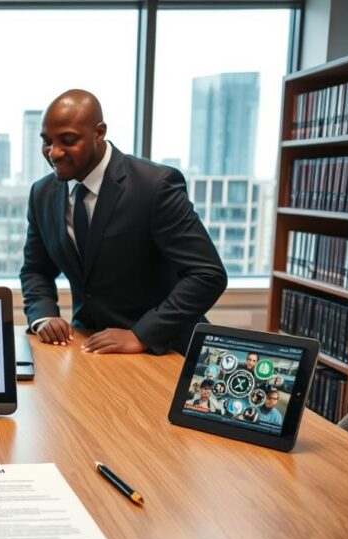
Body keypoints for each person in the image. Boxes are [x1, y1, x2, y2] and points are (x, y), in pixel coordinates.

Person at [20, 89, 227, 355]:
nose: (54, 152)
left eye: (68, 140)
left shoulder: (155, 185)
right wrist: (44, 316)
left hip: (163, 350)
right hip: (90, 346)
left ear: (99, 132)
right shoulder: (42, 193)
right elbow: (35, 269)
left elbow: (208, 275)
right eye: (47, 141)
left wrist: (141, 334)